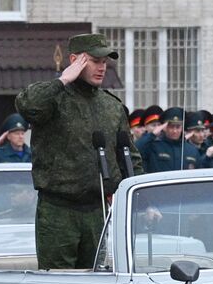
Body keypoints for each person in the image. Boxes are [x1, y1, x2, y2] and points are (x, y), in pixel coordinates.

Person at [14, 33, 136, 270]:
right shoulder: (55, 99)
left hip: (97, 210)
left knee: (95, 283)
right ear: (75, 60)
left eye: (104, 62)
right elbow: (28, 106)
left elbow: (128, 154)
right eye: (94, 61)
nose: (102, 68)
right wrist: (63, 80)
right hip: (59, 210)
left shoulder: (111, 106)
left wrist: (137, 198)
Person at [137, 107, 200, 172]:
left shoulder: (192, 150)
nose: (175, 131)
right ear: (164, 127)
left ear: (182, 128)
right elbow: (137, 150)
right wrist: (152, 134)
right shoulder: (153, 146)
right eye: (171, 126)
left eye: (178, 127)